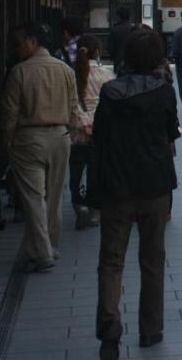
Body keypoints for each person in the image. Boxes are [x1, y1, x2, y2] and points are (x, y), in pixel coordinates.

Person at [91, 25, 180, 356]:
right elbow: (171, 131)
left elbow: (99, 136)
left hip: (117, 185)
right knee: (152, 258)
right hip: (155, 184)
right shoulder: (163, 92)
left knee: (111, 259)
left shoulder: (110, 92)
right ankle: (150, 328)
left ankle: (109, 323)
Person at [1, 22, 77, 273]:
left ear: (33, 42)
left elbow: (10, 114)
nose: (16, 48)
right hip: (60, 136)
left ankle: (42, 252)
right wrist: (72, 133)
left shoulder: (19, 72)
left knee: (34, 198)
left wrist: (8, 141)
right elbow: (74, 107)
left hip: (28, 139)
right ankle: (51, 246)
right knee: (55, 197)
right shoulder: (65, 70)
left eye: (19, 42)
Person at [69, 35, 112, 230]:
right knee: (96, 171)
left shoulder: (71, 74)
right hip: (100, 130)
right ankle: (95, 211)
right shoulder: (106, 74)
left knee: (76, 171)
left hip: (77, 132)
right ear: (97, 51)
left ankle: (79, 205)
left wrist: (83, 121)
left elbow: (70, 104)